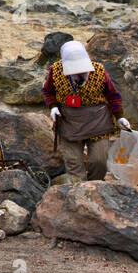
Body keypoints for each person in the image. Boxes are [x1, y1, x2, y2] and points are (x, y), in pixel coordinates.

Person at [43, 41, 130, 180]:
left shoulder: (99, 71)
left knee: (99, 162)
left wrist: (119, 116)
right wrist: (53, 106)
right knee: (74, 164)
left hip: (97, 121)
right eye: (75, 72)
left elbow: (113, 95)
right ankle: (79, 194)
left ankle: (94, 188)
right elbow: (48, 91)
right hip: (69, 121)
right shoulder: (56, 70)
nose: (80, 74)